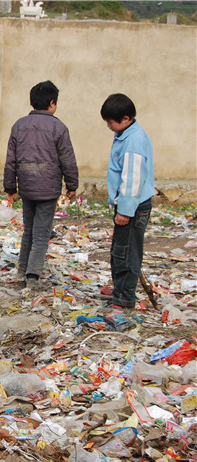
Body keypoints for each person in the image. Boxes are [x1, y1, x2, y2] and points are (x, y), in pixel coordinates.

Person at [3, 80, 79, 288]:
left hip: (27, 186)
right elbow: (67, 160)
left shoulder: (19, 126)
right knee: (42, 231)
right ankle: (33, 275)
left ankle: (22, 268)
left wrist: (10, 188)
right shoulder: (59, 127)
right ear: (52, 103)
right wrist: (72, 186)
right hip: (48, 187)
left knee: (29, 228)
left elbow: (11, 160)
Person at [100, 93, 154, 309]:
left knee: (126, 251)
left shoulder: (133, 141)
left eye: (110, 122)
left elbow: (132, 179)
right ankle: (120, 291)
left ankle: (124, 298)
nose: (108, 126)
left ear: (125, 118)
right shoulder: (127, 134)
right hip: (127, 203)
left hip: (132, 206)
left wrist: (124, 210)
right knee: (122, 248)